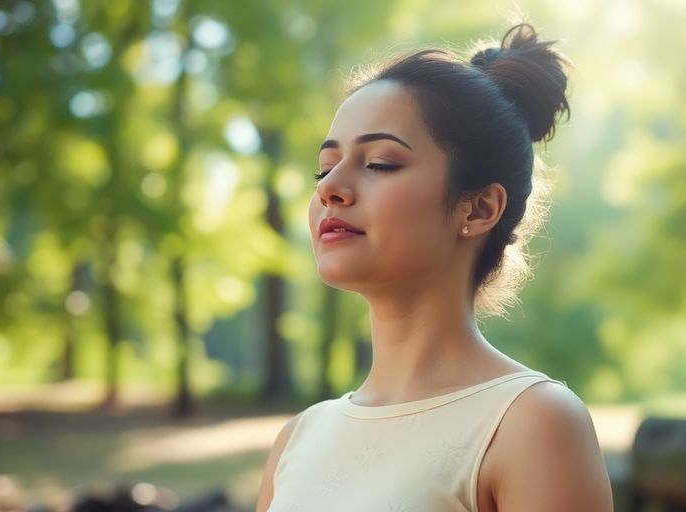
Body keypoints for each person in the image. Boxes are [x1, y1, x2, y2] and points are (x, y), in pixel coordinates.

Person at [255, 23, 613, 512]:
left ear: (478, 208)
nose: (329, 187)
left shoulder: (530, 423)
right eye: (325, 166)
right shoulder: (297, 438)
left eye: (380, 162)